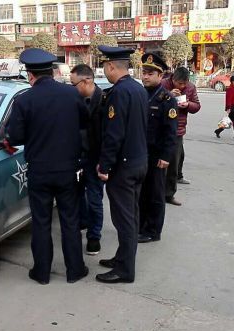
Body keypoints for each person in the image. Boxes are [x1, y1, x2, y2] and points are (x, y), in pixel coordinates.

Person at [5, 48, 89, 285]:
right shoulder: (71, 94)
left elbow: (15, 137)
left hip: (39, 171)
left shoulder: (24, 100)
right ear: (52, 72)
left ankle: (41, 272)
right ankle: (75, 270)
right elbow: (85, 122)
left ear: (29, 74)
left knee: (41, 222)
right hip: (67, 170)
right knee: (69, 221)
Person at [95, 45, 148, 284]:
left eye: (105, 66)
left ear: (110, 67)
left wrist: (105, 167)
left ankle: (125, 270)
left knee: (124, 220)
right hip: (139, 162)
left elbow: (114, 135)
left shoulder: (118, 93)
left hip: (123, 167)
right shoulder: (138, 88)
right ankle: (122, 258)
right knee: (132, 216)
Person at [137, 53, 178, 244]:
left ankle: (153, 231)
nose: (145, 76)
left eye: (150, 73)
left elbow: (171, 132)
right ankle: (141, 226)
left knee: (155, 193)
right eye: (144, 72)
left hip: (157, 155)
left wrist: (166, 156)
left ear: (160, 76)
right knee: (142, 192)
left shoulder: (167, 99)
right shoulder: (141, 94)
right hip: (142, 153)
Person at [70, 64, 105, 256]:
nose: (71, 87)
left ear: (87, 81)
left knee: (94, 198)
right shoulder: (74, 99)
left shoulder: (105, 100)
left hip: (95, 159)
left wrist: (105, 161)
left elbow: (110, 135)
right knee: (75, 195)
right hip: (76, 157)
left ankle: (94, 237)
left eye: (73, 83)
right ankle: (82, 222)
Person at [161, 67, 201, 206]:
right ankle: (156, 193)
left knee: (174, 164)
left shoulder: (190, 88)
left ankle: (169, 194)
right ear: (173, 79)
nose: (181, 86)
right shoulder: (164, 84)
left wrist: (188, 104)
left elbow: (197, 106)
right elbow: (153, 101)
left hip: (178, 130)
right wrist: (168, 95)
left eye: (184, 84)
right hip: (161, 129)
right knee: (159, 164)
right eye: (179, 83)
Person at [214, 75, 234, 141]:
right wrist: (228, 108)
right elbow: (228, 99)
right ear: (233, 82)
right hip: (232, 107)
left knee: (228, 121)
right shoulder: (230, 89)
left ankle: (218, 130)